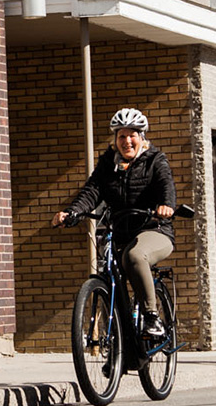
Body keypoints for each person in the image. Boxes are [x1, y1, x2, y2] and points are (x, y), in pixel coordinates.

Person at [52, 108, 177, 336]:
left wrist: (165, 206)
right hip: (120, 231)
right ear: (115, 139)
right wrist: (71, 212)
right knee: (110, 273)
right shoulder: (108, 164)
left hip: (154, 229)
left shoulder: (155, 160)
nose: (127, 141)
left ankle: (152, 317)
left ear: (142, 137)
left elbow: (166, 185)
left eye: (132, 135)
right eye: (121, 136)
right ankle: (119, 348)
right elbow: (92, 191)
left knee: (135, 256)